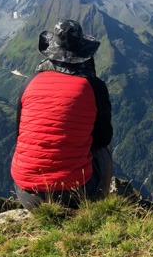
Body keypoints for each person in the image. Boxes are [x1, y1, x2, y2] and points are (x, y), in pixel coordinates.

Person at [11, 19, 113, 210]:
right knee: (106, 148)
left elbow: (19, 134)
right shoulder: (94, 87)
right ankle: (98, 206)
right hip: (75, 194)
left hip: (27, 194)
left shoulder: (30, 83)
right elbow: (103, 138)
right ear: (83, 55)